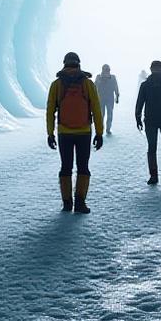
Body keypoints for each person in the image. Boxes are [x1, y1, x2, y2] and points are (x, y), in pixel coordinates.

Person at [45, 52, 105, 213]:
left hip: (64, 132)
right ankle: (80, 203)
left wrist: (50, 133)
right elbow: (96, 110)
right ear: (78, 64)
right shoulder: (88, 84)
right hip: (84, 132)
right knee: (83, 167)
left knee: (66, 167)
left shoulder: (56, 85)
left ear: (64, 64)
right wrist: (99, 133)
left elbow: (50, 110)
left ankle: (66, 203)